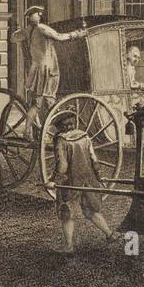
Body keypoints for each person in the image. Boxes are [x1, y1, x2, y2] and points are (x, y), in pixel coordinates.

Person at [50, 109, 115, 254]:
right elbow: (94, 159)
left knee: (67, 213)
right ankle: (109, 234)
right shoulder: (84, 135)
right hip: (89, 178)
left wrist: (53, 180)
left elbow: (63, 165)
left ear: (60, 126)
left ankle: (68, 246)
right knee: (90, 210)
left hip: (71, 181)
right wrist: (99, 176)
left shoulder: (61, 139)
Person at [13, 6, 86, 131]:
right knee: (40, 102)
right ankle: (32, 129)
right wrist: (78, 34)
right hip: (46, 69)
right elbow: (59, 37)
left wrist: (17, 31)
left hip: (35, 69)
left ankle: (37, 129)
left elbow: (13, 37)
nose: (40, 15)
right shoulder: (42, 28)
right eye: (37, 14)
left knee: (43, 101)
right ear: (33, 16)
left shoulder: (26, 31)